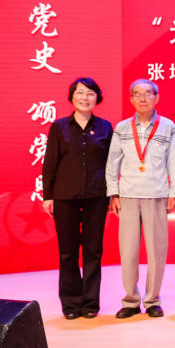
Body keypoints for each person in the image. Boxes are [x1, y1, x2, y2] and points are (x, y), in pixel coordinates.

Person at [105, 79, 175, 319]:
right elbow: (112, 162)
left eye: (148, 93)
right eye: (137, 94)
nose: (142, 98)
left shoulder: (167, 126)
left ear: (156, 97)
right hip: (128, 195)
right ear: (131, 99)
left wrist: (174, 191)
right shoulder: (122, 128)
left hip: (156, 194)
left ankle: (152, 300)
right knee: (128, 252)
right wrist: (113, 192)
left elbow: (174, 161)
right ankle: (130, 300)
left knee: (157, 251)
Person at [42, 77, 113, 320]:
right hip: (65, 196)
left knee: (93, 251)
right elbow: (50, 163)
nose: (85, 97)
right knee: (68, 251)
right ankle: (71, 303)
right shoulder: (59, 127)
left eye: (90, 93)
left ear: (97, 98)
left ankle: (90, 303)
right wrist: (48, 196)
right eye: (80, 92)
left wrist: (113, 193)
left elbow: (112, 164)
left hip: (96, 196)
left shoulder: (105, 127)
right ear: (72, 96)